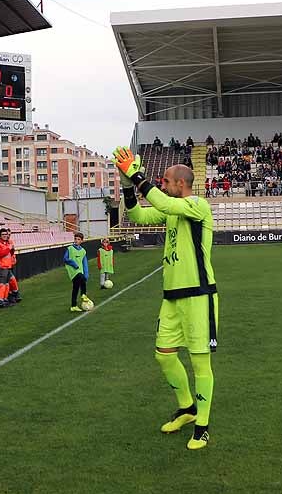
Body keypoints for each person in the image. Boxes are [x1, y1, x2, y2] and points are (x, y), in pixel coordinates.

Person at [115, 149, 217, 450]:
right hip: (171, 297)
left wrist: (138, 176)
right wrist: (125, 184)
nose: (162, 184)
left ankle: (203, 425)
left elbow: (159, 200)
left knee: (200, 363)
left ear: (181, 184)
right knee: (164, 354)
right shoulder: (172, 209)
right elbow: (137, 214)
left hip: (198, 296)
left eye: (167, 181)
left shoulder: (198, 205)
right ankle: (187, 408)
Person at [63, 232, 90, 312]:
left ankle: (73, 306)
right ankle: (83, 294)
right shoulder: (69, 248)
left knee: (76, 288)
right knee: (81, 278)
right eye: (75, 239)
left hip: (80, 270)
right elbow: (65, 259)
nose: (76, 240)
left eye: (78, 239)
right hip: (72, 270)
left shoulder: (83, 251)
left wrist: (86, 273)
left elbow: (84, 263)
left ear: (82, 241)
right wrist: (74, 264)